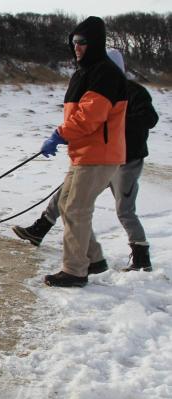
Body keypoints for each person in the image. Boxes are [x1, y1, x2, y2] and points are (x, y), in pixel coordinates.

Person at [13, 48, 158, 274]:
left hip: (126, 161)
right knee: (67, 197)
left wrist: (114, 125)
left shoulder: (134, 91)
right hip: (96, 156)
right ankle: (40, 229)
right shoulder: (93, 88)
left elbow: (150, 118)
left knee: (124, 210)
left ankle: (141, 257)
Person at [24, 16, 128, 287]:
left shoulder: (103, 72)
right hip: (85, 153)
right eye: (74, 42)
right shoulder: (86, 71)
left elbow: (89, 117)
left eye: (82, 42)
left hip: (99, 155)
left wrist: (60, 135)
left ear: (95, 44)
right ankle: (93, 259)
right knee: (66, 205)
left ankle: (74, 271)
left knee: (77, 209)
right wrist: (64, 138)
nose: (77, 47)